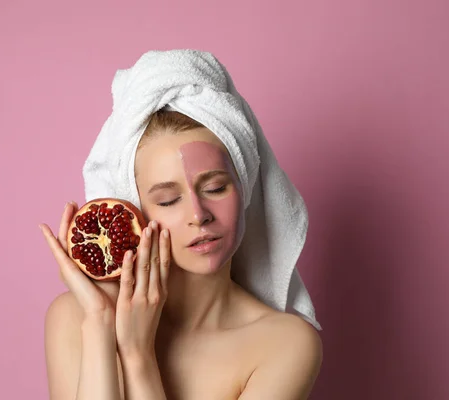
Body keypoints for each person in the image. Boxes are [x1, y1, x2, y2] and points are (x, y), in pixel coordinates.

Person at [39, 51, 322, 400]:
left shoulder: (285, 344)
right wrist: (99, 324)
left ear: (246, 186)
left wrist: (138, 357)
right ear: (138, 212)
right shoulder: (75, 318)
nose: (198, 214)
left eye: (215, 188)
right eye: (168, 200)